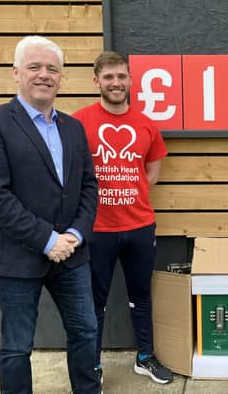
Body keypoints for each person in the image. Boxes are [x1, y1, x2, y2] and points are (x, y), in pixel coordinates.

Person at [0, 36, 100, 393]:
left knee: (86, 333)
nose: (44, 75)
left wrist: (76, 234)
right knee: (17, 346)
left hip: (72, 255)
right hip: (17, 257)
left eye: (52, 69)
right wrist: (47, 239)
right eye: (35, 67)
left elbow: (89, 187)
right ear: (16, 73)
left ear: (61, 77)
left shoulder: (73, 127)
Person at [72, 51, 173, 385]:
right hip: (97, 229)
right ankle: (93, 364)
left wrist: (125, 188)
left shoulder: (146, 124)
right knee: (94, 302)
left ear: (130, 80)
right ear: (97, 81)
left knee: (140, 295)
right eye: (109, 77)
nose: (116, 83)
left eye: (121, 77)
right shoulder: (79, 122)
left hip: (139, 227)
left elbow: (152, 173)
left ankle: (144, 357)